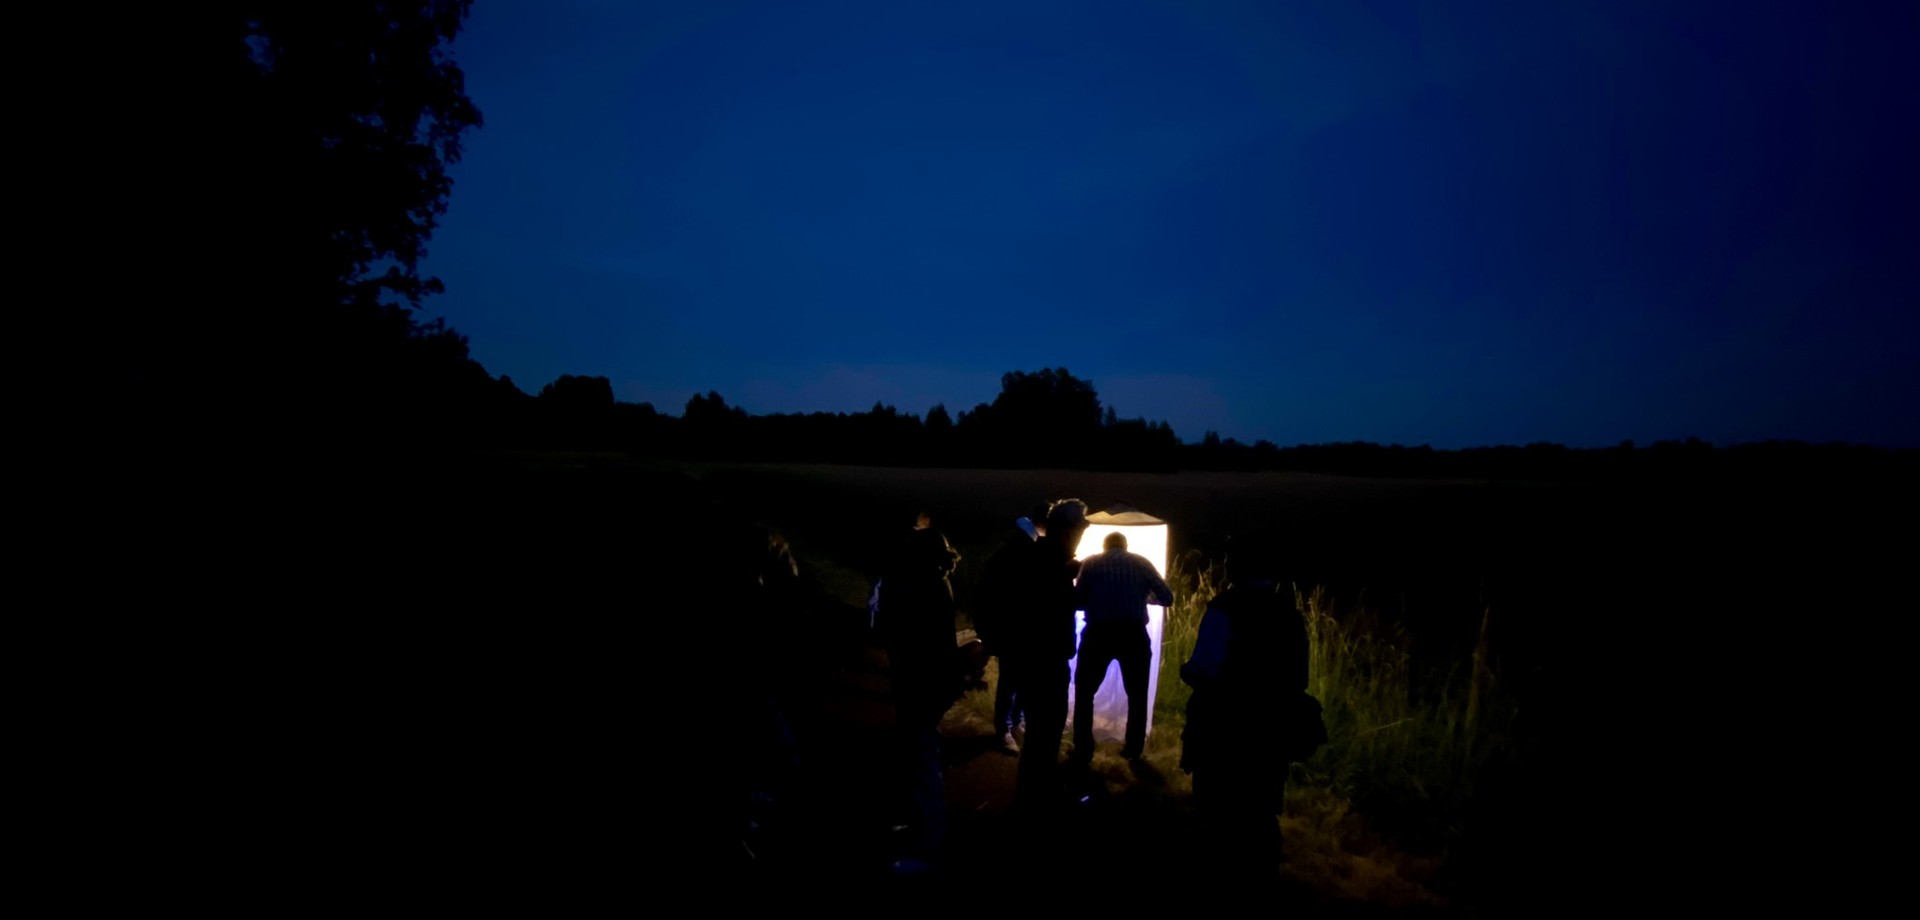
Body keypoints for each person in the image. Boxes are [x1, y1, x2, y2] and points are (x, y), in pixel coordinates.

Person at [1178, 541, 1315, 881]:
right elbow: (1300, 676)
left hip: (1224, 723)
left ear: (1236, 572)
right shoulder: (1289, 612)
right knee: (1263, 808)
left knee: (1217, 806)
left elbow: (1204, 668)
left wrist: (1188, 673)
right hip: (1273, 726)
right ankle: (1263, 878)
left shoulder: (1225, 607)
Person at [874, 510, 963, 872]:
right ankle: (914, 824)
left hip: (919, 681)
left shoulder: (919, 585)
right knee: (914, 751)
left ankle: (926, 845)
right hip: (928, 680)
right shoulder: (934, 581)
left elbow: (898, 631)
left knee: (921, 755)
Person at [1005, 498, 1088, 815]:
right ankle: (1035, 799)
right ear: (1068, 531)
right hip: (1046, 658)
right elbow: (1054, 605)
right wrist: (1073, 584)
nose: (1079, 538)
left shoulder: (1044, 554)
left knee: (1043, 730)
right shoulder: (1053, 560)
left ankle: (1036, 792)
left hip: (1035, 656)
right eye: (1078, 532)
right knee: (1045, 731)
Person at [1071, 531, 1174, 763]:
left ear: (1105, 546)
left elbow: (1077, 601)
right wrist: (1143, 598)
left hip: (1099, 633)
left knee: (1085, 691)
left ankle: (1083, 747)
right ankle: (1133, 750)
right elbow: (1167, 597)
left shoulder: (1090, 563)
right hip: (1133, 634)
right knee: (1137, 695)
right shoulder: (1142, 563)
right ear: (1125, 546)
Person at [971, 504, 1050, 754]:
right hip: (1014, 626)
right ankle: (1004, 728)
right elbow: (1009, 590)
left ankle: (1015, 723)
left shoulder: (1025, 542)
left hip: (1022, 625)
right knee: (1012, 678)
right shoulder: (1021, 547)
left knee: (1021, 677)